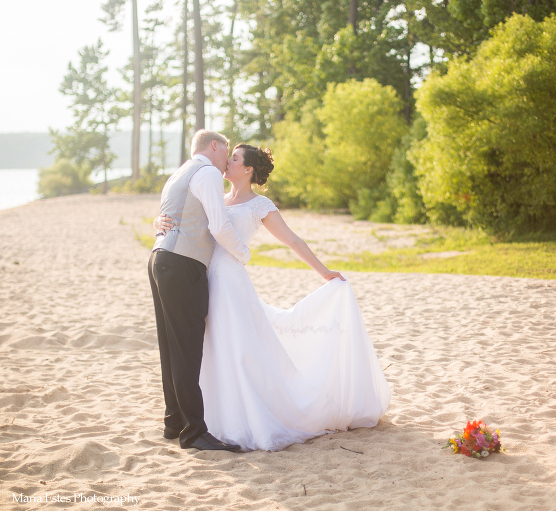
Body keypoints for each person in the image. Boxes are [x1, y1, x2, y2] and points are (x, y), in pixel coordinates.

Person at [153, 142, 391, 451]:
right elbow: (183, 215)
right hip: (202, 278)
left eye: (234, 158)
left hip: (229, 280)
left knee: (239, 348)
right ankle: (209, 417)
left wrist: (324, 272)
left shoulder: (259, 205)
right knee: (211, 348)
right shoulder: (214, 195)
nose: (227, 162)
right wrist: (159, 223)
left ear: (248, 169)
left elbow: (292, 239)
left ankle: (246, 416)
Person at [148, 130, 250, 451]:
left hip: (160, 259)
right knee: (188, 349)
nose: (225, 163)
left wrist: (156, 223)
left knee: (170, 347)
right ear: (215, 146)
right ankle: (194, 431)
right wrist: (243, 254)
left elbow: (171, 214)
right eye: (226, 153)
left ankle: (174, 422)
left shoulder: (180, 172)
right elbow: (218, 225)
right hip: (182, 264)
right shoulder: (206, 172)